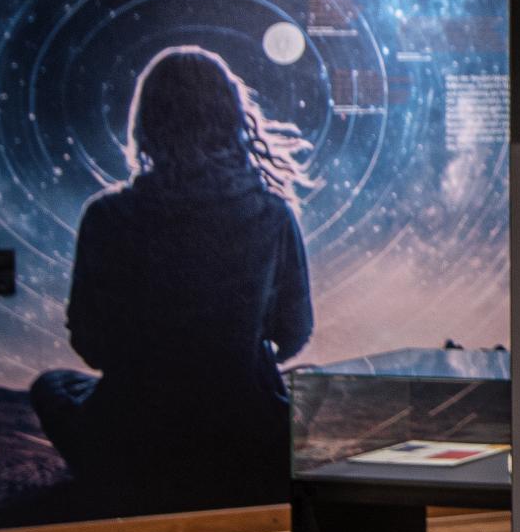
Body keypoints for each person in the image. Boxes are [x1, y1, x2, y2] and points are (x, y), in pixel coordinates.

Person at [29, 45, 317, 504]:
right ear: (231, 119)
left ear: (146, 122)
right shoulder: (272, 214)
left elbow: (90, 344)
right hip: (246, 434)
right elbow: (294, 332)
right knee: (304, 389)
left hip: (135, 438)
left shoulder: (106, 216)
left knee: (52, 387)